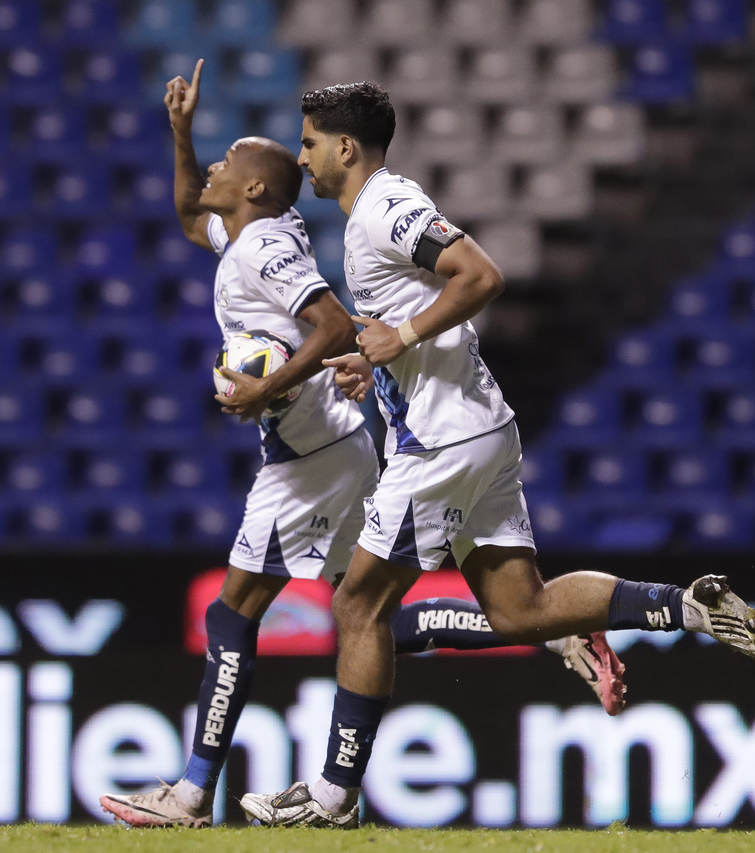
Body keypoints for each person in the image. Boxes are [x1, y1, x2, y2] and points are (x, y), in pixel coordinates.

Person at [238, 82, 755, 830]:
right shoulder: (372, 217)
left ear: (344, 147)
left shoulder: (384, 208)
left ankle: (331, 798)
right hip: (479, 430)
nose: (302, 156)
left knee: (358, 603)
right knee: (517, 607)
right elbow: (419, 313)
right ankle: (685, 603)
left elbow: (482, 274)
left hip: (443, 442)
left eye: (307, 143)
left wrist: (402, 338)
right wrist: (383, 360)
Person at [99, 62, 628, 830]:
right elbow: (189, 213)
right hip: (341, 447)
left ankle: (189, 795)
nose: (214, 168)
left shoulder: (264, 252)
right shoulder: (249, 232)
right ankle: (555, 629)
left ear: (255, 189)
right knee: (369, 618)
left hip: (309, 462)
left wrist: (262, 383)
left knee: (233, 613)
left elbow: (337, 324)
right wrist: (180, 133)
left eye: (230, 161)